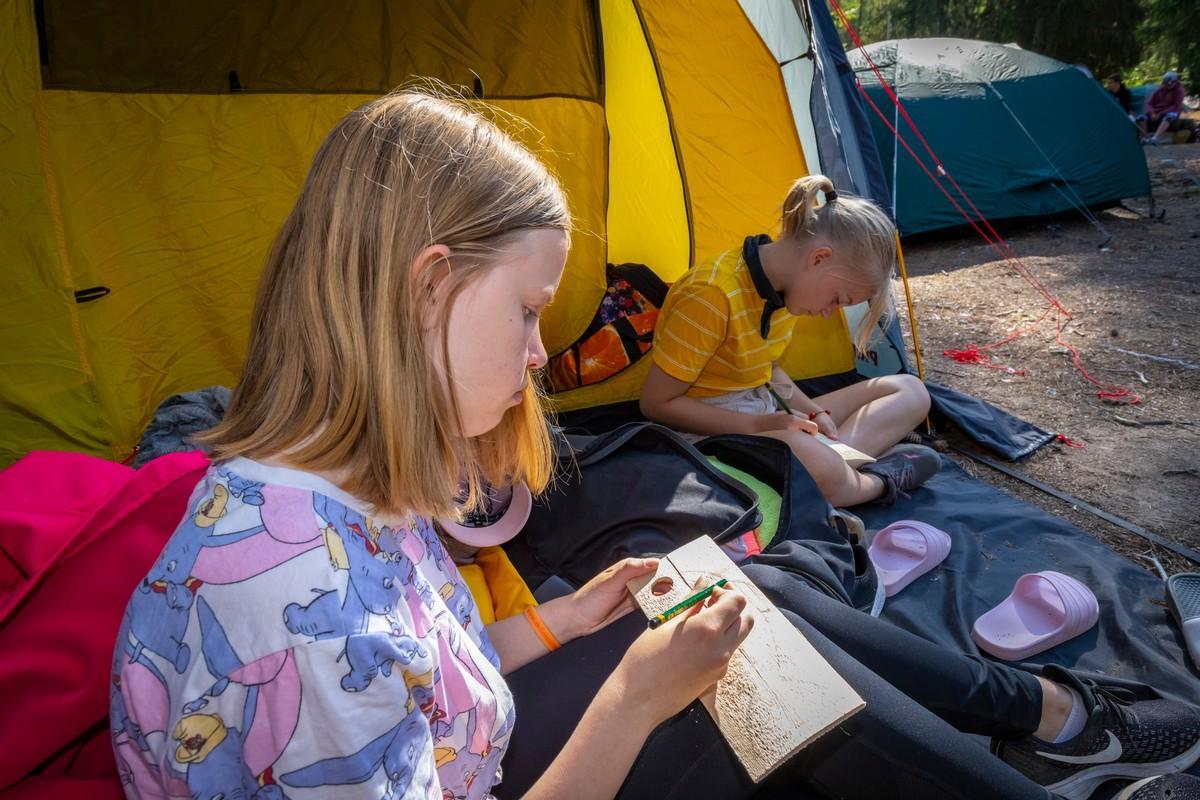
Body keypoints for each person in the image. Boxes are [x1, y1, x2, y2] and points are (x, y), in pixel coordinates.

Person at [108, 89, 1200, 800]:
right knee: (753, 691)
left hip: (465, 744)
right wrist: (634, 695)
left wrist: (562, 617)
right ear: (426, 288)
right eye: (529, 312)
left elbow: (413, 674)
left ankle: (1049, 716)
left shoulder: (338, 494)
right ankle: (1045, 752)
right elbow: (364, 675)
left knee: (725, 582)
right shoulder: (297, 589)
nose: (545, 355)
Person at [639, 175, 940, 508]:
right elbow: (656, 405)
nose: (829, 314)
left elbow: (765, 367)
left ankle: (836, 473)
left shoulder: (783, 289)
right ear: (819, 258)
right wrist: (760, 424)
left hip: (765, 412)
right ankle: (873, 483)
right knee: (815, 460)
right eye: (838, 299)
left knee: (911, 391)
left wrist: (813, 412)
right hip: (712, 433)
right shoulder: (711, 296)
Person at [1137, 71, 1187, 144]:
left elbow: (1176, 106)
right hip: (1156, 111)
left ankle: (1155, 138)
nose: (1167, 86)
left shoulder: (1180, 90)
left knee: (1169, 117)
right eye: (1166, 84)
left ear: (1175, 82)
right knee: (1140, 118)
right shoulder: (1160, 89)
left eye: (1169, 84)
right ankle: (1145, 138)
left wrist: (1160, 114)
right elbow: (1149, 103)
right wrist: (1152, 112)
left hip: (1171, 111)